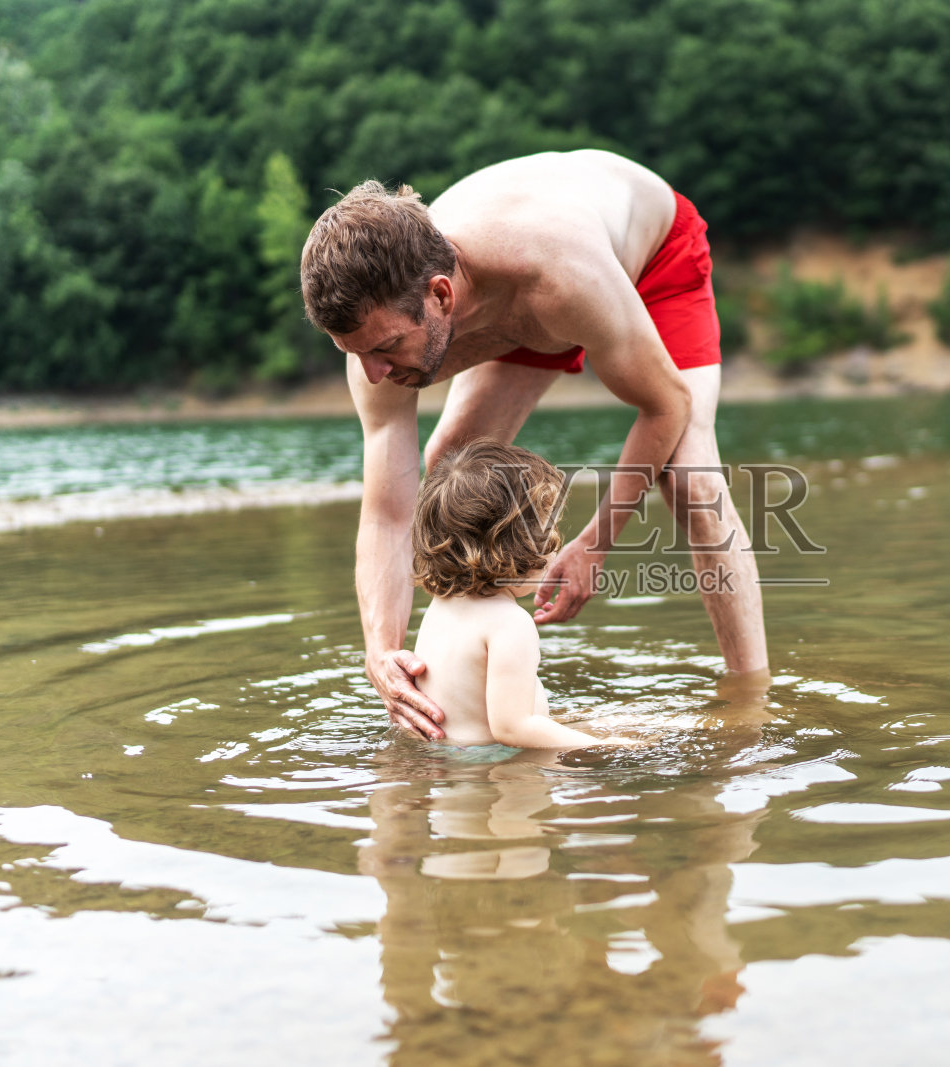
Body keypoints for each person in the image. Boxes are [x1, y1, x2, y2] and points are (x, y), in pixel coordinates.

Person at [300, 149, 768, 740]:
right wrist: (381, 655)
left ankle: (752, 696)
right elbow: (388, 511)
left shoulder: (560, 276)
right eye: (355, 353)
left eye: (387, 348)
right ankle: (461, 681)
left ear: (441, 296)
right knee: (451, 471)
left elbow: (666, 405)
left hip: (647, 261)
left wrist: (594, 546)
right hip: (521, 309)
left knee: (688, 477)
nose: (372, 374)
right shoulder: (376, 337)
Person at [409, 438, 634, 750]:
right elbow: (513, 728)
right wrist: (609, 746)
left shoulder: (442, 606)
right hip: (496, 767)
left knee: (626, 723)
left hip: (450, 764)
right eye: (546, 528)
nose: (555, 541)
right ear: (514, 545)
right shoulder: (508, 623)